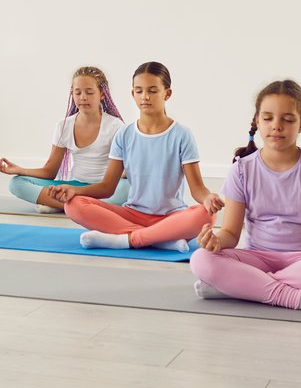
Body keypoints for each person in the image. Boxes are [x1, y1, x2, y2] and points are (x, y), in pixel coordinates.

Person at [189, 79, 301, 314]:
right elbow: (231, 234)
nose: (276, 126)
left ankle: (243, 287)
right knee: (201, 259)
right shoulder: (241, 170)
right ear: (257, 121)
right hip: (256, 257)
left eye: (288, 119)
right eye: (268, 118)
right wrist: (215, 240)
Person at [60, 61, 221, 251]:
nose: (145, 97)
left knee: (207, 214)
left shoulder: (182, 135)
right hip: (133, 213)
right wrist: (75, 191)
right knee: (73, 205)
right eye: (139, 91)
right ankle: (161, 239)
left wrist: (208, 197)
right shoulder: (124, 134)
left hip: (172, 216)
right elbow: (107, 188)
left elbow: (197, 189)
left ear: (167, 94)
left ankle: (128, 239)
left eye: (153, 91)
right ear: (133, 94)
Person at [0, 65, 131, 212]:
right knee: (16, 183)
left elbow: (123, 170)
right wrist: (20, 170)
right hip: (74, 187)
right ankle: (80, 207)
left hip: (104, 189)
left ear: (102, 94)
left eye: (89, 92)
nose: (83, 97)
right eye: (77, 93)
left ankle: (62, 204)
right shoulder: (64, 126)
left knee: (127, 189)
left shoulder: (115, 126)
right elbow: (49, 171)